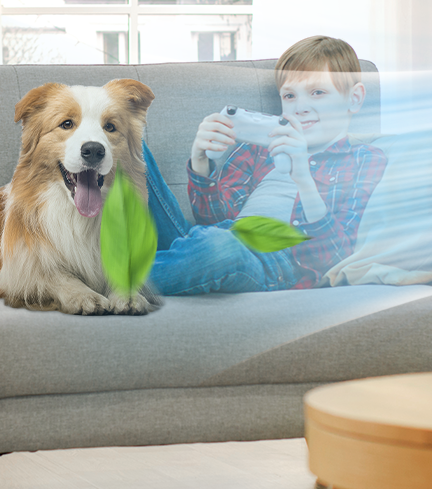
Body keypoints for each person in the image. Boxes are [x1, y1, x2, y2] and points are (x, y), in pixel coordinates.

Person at [143, 35, 387, 295]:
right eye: (290, 95)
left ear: (354, 98)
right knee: (123, 139)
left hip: (267, 261)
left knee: (219, 247)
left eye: (318, 92)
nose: (301, 107)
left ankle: (109, 280)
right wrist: (200, 160)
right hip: (208, 240)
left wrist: (303, 178)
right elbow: (213, 220)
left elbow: (333, 256)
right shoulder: (258, 148)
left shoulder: (364, 160)